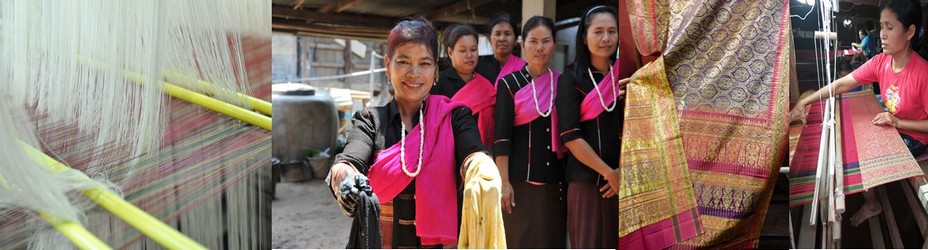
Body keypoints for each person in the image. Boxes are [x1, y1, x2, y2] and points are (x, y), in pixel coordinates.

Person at [326, 17, 495, 248]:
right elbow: (350, 160)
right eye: (404, 61)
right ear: (388, 64)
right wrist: (345, 178)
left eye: (424, 63)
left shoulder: (455, 116)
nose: (414, 73)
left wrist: (480, 166)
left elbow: (472, 152)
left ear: (435, 68)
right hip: (379, 242)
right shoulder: (371, 120)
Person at [789, 0, 927, 227]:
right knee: (856, 136)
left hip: (914, 137)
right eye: (881, 26)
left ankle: (873, 204)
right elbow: (843, 84)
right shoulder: (881, 62)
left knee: (862, 152)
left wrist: (898, 120)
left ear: (909, 31)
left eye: (889, 27)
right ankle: (871, 196)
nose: (882, 34)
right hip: (895, 124)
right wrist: (806, 101)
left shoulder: (922, 74)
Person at [494, 15, 567, 248]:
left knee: (552, 242)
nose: (539, 47)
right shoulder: (509, 84)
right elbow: (501, 138)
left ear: (554, 44)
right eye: (533, 41)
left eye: (545, 41)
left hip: (555, 186)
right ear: (523, 45)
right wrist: (503, 183)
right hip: (518, 186)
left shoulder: (563, 83)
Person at [555, 5, 624, 249]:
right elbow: (571, 137)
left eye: (612, 31)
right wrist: (609, 173)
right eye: (598, 32)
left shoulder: (627, 76)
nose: (606, 38)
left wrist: (622, 173)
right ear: (584, 37)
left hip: (624, 182)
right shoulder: (571, 79)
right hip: (586, 183)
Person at [432, 24, 496, 148]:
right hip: (447, 152)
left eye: (473, 49)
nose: (469, 55)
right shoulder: (439, 83)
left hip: (481, 154)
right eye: (462, 51)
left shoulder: (486, 85)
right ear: (450, 52)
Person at [475, 12, 527, 86]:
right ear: (490, 39)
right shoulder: (478, 67)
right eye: (497, 34)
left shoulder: (524, 69)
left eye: (507, 34)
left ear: (515, 39)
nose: (502, 38)